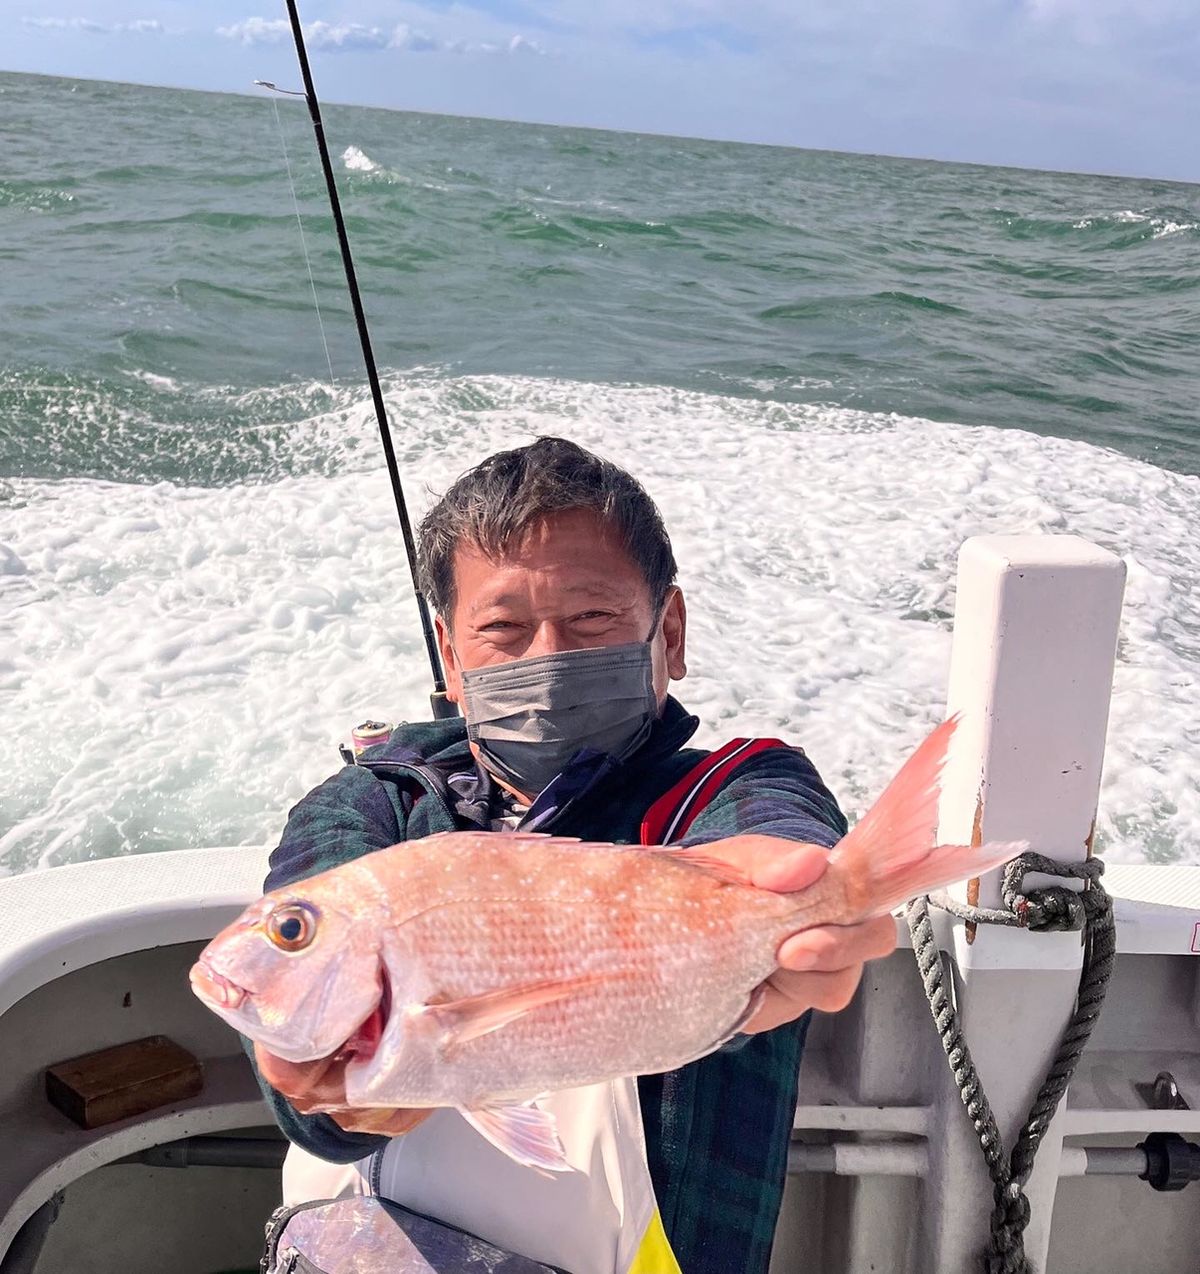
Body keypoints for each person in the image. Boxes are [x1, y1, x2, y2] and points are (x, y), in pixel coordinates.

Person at [249, 436, 896, 1273]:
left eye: (591, 618)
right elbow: (299, 1028)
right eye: (504, 628)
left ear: (669, 631)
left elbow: (780, 835)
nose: (550, 657)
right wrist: (329, 1095)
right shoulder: (373, 806)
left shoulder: (739, 785)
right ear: (450, 655)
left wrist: (793, 913)